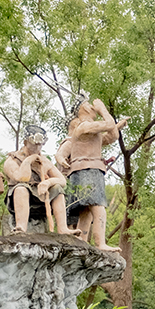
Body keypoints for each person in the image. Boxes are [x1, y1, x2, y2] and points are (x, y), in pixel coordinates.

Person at [56, 98, 126, 252]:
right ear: (84, 108)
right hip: (87, 168)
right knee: (98, 206)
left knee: (86, 209)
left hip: (91, 168)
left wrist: (117, 126)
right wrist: (102, 109)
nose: (92, 106)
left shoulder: (90, 130)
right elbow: (108, 125)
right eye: (89, 104)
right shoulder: (84, 126)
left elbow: (112, 136)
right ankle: (100, 242)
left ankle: (82, 239)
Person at [3, 124, 80, 235]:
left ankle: (62, 228)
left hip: (40, 198)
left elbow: (62, 180)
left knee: (57, 188)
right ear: (25, 143)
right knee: (21, 187)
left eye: (40, 145)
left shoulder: (44, 160)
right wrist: (29, 161)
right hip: (20, 198)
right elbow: (22, 178)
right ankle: (21, 227)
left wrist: (48, 183)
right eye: (34, 145)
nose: (38, 148)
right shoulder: (12, 160)